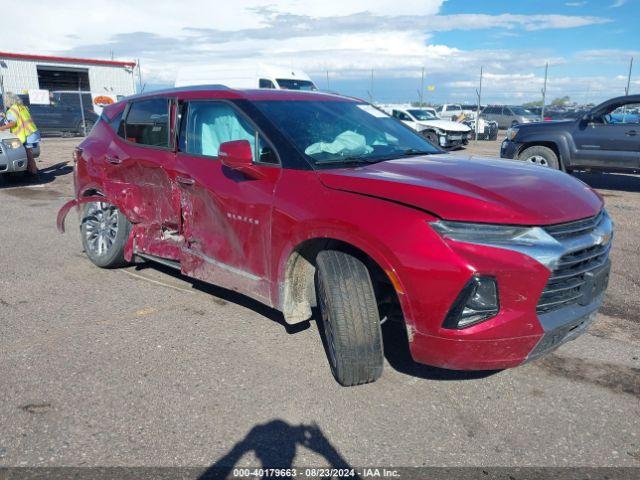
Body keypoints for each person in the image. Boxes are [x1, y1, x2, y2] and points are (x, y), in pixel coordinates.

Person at [0, 92, 40, 175]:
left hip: (26, 134)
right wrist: (5, 117)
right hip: (32, 132)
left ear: (7, 101)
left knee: (28, 154)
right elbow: (19, 118)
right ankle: (33, 169)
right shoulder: (22, 107)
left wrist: (1, 128)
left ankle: (33, 173)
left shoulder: (11, 110)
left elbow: (13, 123)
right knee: (29, 154)